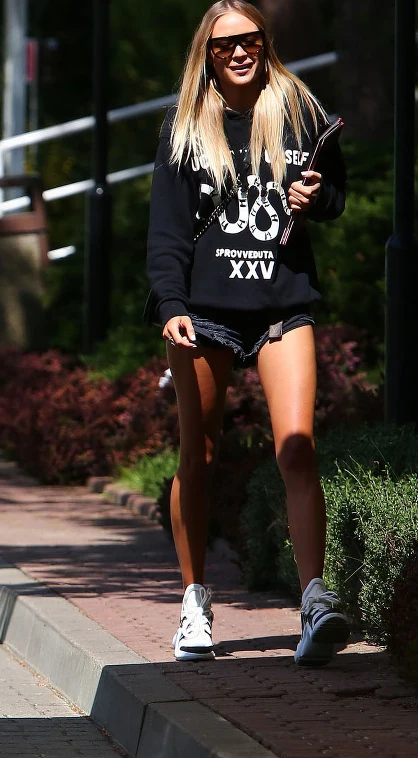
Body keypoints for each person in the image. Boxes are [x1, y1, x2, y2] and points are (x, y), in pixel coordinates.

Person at [147, 1, 348, 666]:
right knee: (197, 457)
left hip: (281, 306)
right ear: (206, 51)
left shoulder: (298, 109)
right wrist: (170, 303)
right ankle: (196, 599)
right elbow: (168, 233)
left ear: (266, 43)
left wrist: (314, 198)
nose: (239, 52)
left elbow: (336, 192)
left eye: (251, 40)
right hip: (202, 312)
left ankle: (314, 601)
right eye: (225, 42)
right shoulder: (186, 127)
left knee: (297, 449)